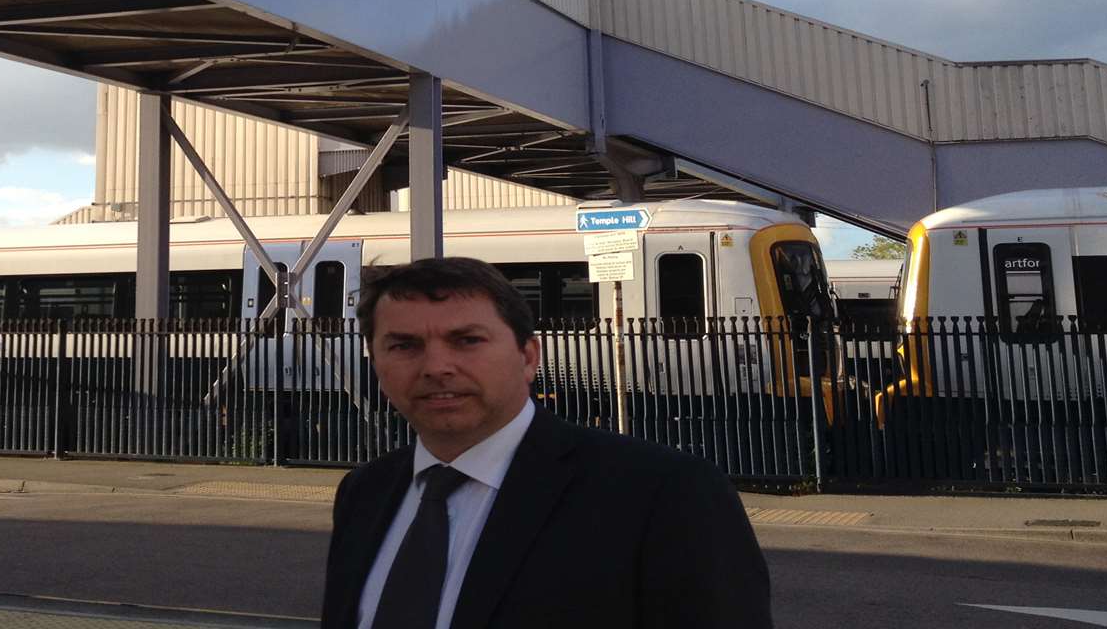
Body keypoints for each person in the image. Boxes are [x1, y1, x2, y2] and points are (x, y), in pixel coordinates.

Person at [321, 257, 771, 629]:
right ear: (376, 365)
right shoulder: (364, 492)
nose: (437, 365)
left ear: (529, 357)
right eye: (404, 346)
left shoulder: (664, 492)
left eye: (468, 340)